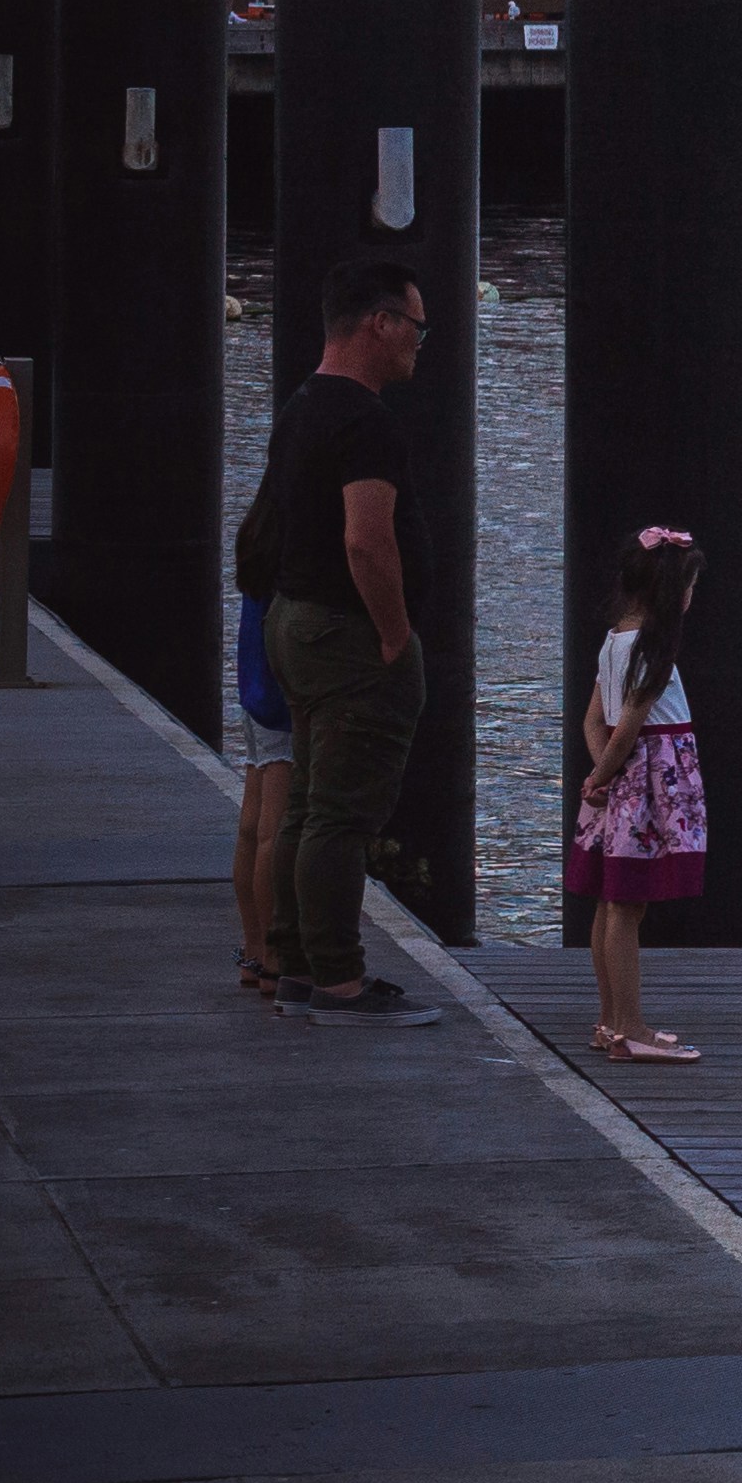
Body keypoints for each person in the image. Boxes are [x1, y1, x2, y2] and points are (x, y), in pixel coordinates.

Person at [253, 256, 438, 1018]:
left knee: (305, 806)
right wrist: (395, 636)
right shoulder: (366, 420)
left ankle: (296, 961)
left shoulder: (301, 406)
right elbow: (367, 540)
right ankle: (339, 976)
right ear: (380, 323)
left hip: (294, 623)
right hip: (348, 635)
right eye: (417, 327)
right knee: (342, 815)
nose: (421, 343)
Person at [569, 524, 708, 1065]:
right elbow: (629, 726)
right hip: (649, 783)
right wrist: (605, 773)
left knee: (613, 901)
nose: (692, 598)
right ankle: (630, 1027)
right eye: (689, 587)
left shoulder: (613, 641)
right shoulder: (654, 646)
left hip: (619, 779)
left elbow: (593, 718)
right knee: (628, 904)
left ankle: (610, 1022)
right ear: (671, 593)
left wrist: (599, 772)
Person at [223, 582, 296, 995]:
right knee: (275, 827)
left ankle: (254, 948)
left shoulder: (257, 531)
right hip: (280, 686)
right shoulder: (293, 530)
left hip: (255, 681)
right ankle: (273, 955)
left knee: (253, 823)